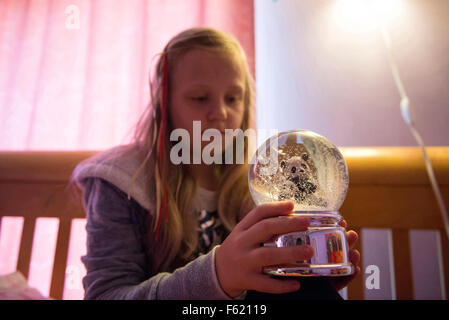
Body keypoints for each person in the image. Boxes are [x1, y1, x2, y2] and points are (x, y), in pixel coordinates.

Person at [72, 27, 360, 300]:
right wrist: (217, 276)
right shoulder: (121, 181)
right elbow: (106, 295)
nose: (220, 113)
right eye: (199, 98)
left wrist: (303, 275)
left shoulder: (262, 182)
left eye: (233, 98)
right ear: (164, 102)